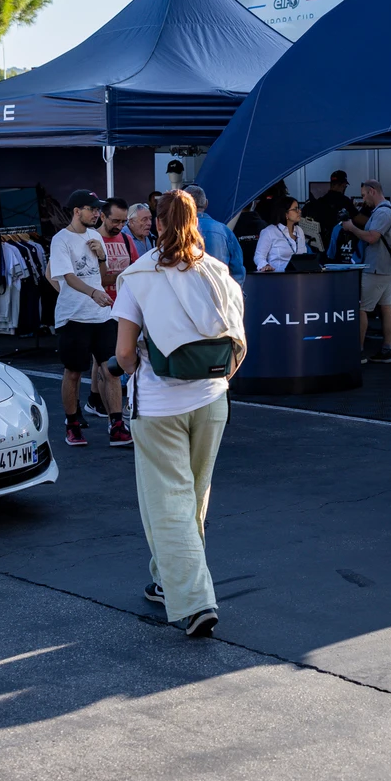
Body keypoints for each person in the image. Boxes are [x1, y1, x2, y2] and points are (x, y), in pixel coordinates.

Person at [113, 189, 246, 639]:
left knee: (166, 500)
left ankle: (192, 600)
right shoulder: (217, 271)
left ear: (157, 222)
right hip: (212, 398)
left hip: (159, 403)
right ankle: (165, 578)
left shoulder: (139, 275)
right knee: (193, 497)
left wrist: (139, 372)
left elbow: (125, 352)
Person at [49, 189, 131, 448]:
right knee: (73, 371)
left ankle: (116, 424)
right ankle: (72, 423)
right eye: (92, 209)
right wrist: (93, 292)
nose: (97, 214)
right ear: (77, 211)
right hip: (73, 316)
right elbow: (68, 277)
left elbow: (101, 274)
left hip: (101, 315)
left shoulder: (95, 235)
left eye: (98, 210)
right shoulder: (60, 240)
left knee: (111, 369)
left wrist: (103, 256)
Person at [346, 179, 391, 363]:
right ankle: (386, 350)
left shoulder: (383, 213)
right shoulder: (386, 211)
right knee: (386, 308)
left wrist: (352, 228)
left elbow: (372, 237)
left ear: (372, 191)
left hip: (377, 268)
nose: (363, 200)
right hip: (387, 268)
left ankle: (359, 352)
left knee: (362, 308)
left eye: (363, 195)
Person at [184, 185, 246, 284]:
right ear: (206, 204)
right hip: (219, 292)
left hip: (188, 294)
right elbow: (237, 269)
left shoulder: (178, 231)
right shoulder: (225, 231)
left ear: (183, 205)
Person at [253, 196, 311, 272]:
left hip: (298, 277)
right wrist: (265, 266)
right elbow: (259, 256)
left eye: (299, 208)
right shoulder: (269, 232)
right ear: (285, 213)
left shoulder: (299, 231)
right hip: (278, 277)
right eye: (295, 209)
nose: (299, 211)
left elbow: (304, 256)